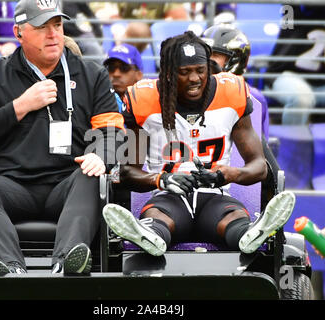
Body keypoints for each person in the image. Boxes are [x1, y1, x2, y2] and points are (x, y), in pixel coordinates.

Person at [0, 0, 125, 276]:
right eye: (42, 27)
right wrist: (20, 106)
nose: (53, 34)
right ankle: (9, 268)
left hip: (68, 184)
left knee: (92, 173)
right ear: (18, 32)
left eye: (57, 25)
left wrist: (101, 155)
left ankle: (67, 262)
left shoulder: (91, 74)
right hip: (13, 186)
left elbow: (114, 134)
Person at [102, 31, 295, 256]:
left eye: (200, 70)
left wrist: (228, 174)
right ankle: (148, 234)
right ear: (167, 75)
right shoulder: (144, 101)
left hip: (216, 195)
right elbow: (126, 173)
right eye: (184, 72)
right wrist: (161, 179)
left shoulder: (231, 93)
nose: (194, 78)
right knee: (159, 218)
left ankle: (250, 234)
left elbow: (260, 166)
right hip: (168, 197)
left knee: (233, 218)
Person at [265, 5, 325, 124]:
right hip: (287, 75)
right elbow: (300, 7)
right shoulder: (294, 9)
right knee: (301, 98)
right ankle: (292, 142)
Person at [201, 24, 269, 141]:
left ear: (235, 60)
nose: (207, 60)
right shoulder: (188, 90)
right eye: (205, 53)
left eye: (215, 55)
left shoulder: (253, 98)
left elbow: (255, 152)